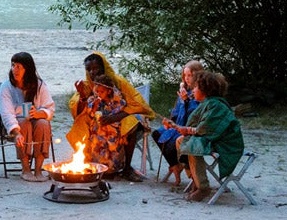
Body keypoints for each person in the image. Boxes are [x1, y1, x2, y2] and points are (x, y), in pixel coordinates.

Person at [67, 52, 156, 182]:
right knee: (80, 125)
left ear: (103, 67)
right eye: (89, 69)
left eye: (95, 68)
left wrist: (114, 118)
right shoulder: (87, 85)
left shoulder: (118, 82)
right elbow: (78, 110)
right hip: (97, 122)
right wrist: (82, 95)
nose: (92, 72)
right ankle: (90, 164)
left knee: (131, 123)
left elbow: (136, 104)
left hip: (119, 117)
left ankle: (126, 169)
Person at [175, 70, 244, 202]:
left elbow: (206, 129)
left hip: (225, 143)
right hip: (214, 139)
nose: (193, 90)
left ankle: (203, 187)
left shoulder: (216, 105)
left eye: (195, 87)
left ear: (204, 89)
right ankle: (195, 179)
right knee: (180, 140)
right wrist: (181, 129)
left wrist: (187, 130)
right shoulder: (207, 103)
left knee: (193, 144)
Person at [0, 52, 55, 182]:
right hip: (11, 125)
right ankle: (26, 169)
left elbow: (49, 108)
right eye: (13, 65)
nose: (14, 70)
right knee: (24, 122)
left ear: (27, 69)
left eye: (19, 67)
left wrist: (39, 113)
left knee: (43, 123)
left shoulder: (39, 85)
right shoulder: (6, 86)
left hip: (35, 123)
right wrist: (16, 133)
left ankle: (38, 170)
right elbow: (7, 113)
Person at [152, 60, 204, 186]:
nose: (186, 78)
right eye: (185, 75)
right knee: (157, 134)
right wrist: (170, 122)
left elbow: (196, 113)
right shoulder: (184, 91)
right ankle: (175, 166)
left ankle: (184, 169)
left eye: (190, 75)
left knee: (171, 146)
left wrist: (186, 100)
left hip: (189, 128)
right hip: (178, 125)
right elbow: (176, 112)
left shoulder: (200, 91)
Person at [71, 73, 132, 174]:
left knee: (112, 142)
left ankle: (111, 167)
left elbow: (119, 112)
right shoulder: (94, 99)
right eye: (97, 91)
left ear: (109, 91)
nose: (99, 94)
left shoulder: (117, 100)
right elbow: (90, 114)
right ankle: (98, 166)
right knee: (95, 138)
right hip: (98, 129)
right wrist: (94, 107)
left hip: (112, 128)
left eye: (102, 92)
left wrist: (109, 118)